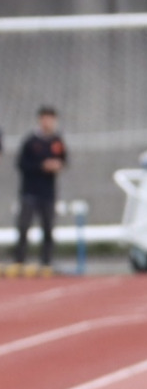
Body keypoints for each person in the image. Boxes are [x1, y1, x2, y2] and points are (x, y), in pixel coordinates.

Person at [7, 106, 67, 278]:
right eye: (45, 118)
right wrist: (41, 166)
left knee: (48, 227)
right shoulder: (30, 141)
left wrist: (57, 165)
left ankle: (46, 262)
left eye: (50, 119)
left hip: (48, 192)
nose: (47, 122)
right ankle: (19, 261)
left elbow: (64, 160)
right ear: (40, 120)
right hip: (29, 191)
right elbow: (21, 164)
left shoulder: (57, 141)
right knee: (24, 226)